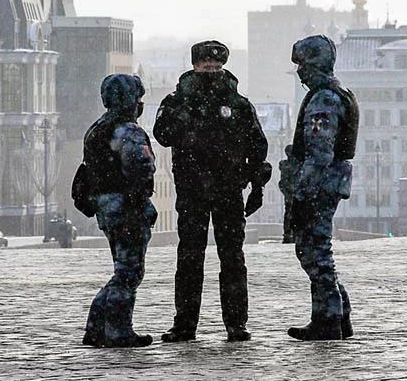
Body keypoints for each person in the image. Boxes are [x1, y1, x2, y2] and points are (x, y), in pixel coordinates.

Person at [153, 40, 270, 343]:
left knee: (231, 258)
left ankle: (236, 323)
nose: (212, 72)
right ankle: (185, 324)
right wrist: (185, 115)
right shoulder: (177, 101)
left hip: (228, 189)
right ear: (195, 66)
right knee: (190, 258)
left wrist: (257, 186)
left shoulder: (238, 104)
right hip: (191, 190)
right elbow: (162, 135)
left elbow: (257, 147)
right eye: (206, 67)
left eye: (217, 67)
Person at [287, 35, 357, 341]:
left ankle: (329, 318)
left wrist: (301, 192)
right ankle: (337, 314)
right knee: (316, 251)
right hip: (329, 182)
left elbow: (319, 152)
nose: (299, 71)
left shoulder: (323, 99)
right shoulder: (334, 92)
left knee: (315, 252)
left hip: (320, 185)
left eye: (302, 64)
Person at [82, 74, 158, 348]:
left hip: (106, 208)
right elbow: (142, 169)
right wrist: (139, 203)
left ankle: (96, 327)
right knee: (129, 272)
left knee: (122, 270)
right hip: (127, 208)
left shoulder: (97, 129)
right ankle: (117, 329)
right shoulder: (127, 131)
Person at [278, 144, 297, 244]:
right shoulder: (293, 165)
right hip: (294, 193)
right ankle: (291, 233)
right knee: (293, 213)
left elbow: (283, 183)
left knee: (289, 213)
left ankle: (288, 234)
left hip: (290, 194)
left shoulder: (286, 165)